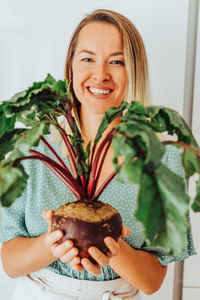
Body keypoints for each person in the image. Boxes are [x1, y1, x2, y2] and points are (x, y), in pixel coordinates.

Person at [0, 9, 196, 300]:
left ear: (134, 71)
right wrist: (50, 244)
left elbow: (153, 281)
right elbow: (9, 262)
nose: (101, 74)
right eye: (88, 59)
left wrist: (115, 249)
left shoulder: (161, 156)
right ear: (71, 69)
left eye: (116, 62)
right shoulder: (36, 145)